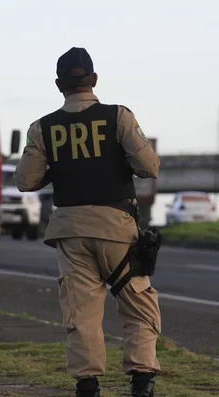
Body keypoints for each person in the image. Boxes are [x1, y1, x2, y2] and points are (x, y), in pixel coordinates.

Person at [14, 47, 161, 397]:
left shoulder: (42, 128)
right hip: (116, 227)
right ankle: (141, 382)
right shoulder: (118, 117)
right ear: (94, 80)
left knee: (81, 311)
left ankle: (88, 385)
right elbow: (148, 168)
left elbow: (25, 181)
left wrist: (62, 167)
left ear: (58, 84)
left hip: (70, 230)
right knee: (138, 302)